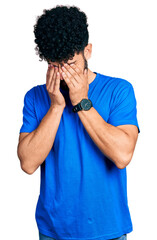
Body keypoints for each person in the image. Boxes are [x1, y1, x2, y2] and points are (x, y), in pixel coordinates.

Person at [17, 5, 140, 240]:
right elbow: (28, 163)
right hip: (53, 232)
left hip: (108, 232)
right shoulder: (35, 97)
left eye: (70, 64)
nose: (62, 74)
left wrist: (82, 101)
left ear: (88, 51)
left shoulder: (119, 90)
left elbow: (123, 155)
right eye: (54, 65)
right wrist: (56, 107)